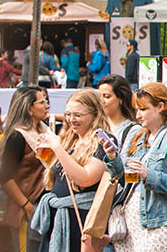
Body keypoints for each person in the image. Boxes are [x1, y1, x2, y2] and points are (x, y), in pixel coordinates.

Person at [102, 82, 167, 252]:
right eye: (136, 110)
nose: (138, 115)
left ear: (160, 106)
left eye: (143, 109)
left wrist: (150, 176)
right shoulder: (141, 137)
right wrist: (113, 159)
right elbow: (128, 180)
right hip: (131, 224)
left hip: (160, 224)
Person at [31, 89, 116, 251]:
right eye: (68, 114)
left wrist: (57, 147)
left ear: (95, 114)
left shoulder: (103, 140)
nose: (71, 120)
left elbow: (85, 178)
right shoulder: (70, 139)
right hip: (58, 217)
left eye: (78, 115)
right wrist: (47, 158)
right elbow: (63, 174)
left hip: (81, 220)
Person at [0, 86, 52, 252]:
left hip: (45, 206)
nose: (47, 105)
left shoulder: (46, 131)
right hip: (27, 210)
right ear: (29, 108)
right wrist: (27, 206)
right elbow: (5, 178)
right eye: (42, 102)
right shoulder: (17, 136)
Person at [98, 75, 142, 166]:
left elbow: (125, 164)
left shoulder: (133, 130)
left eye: (106, 96)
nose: (101, 101)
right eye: (99, 96)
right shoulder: (97, 125)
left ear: (120, 99)